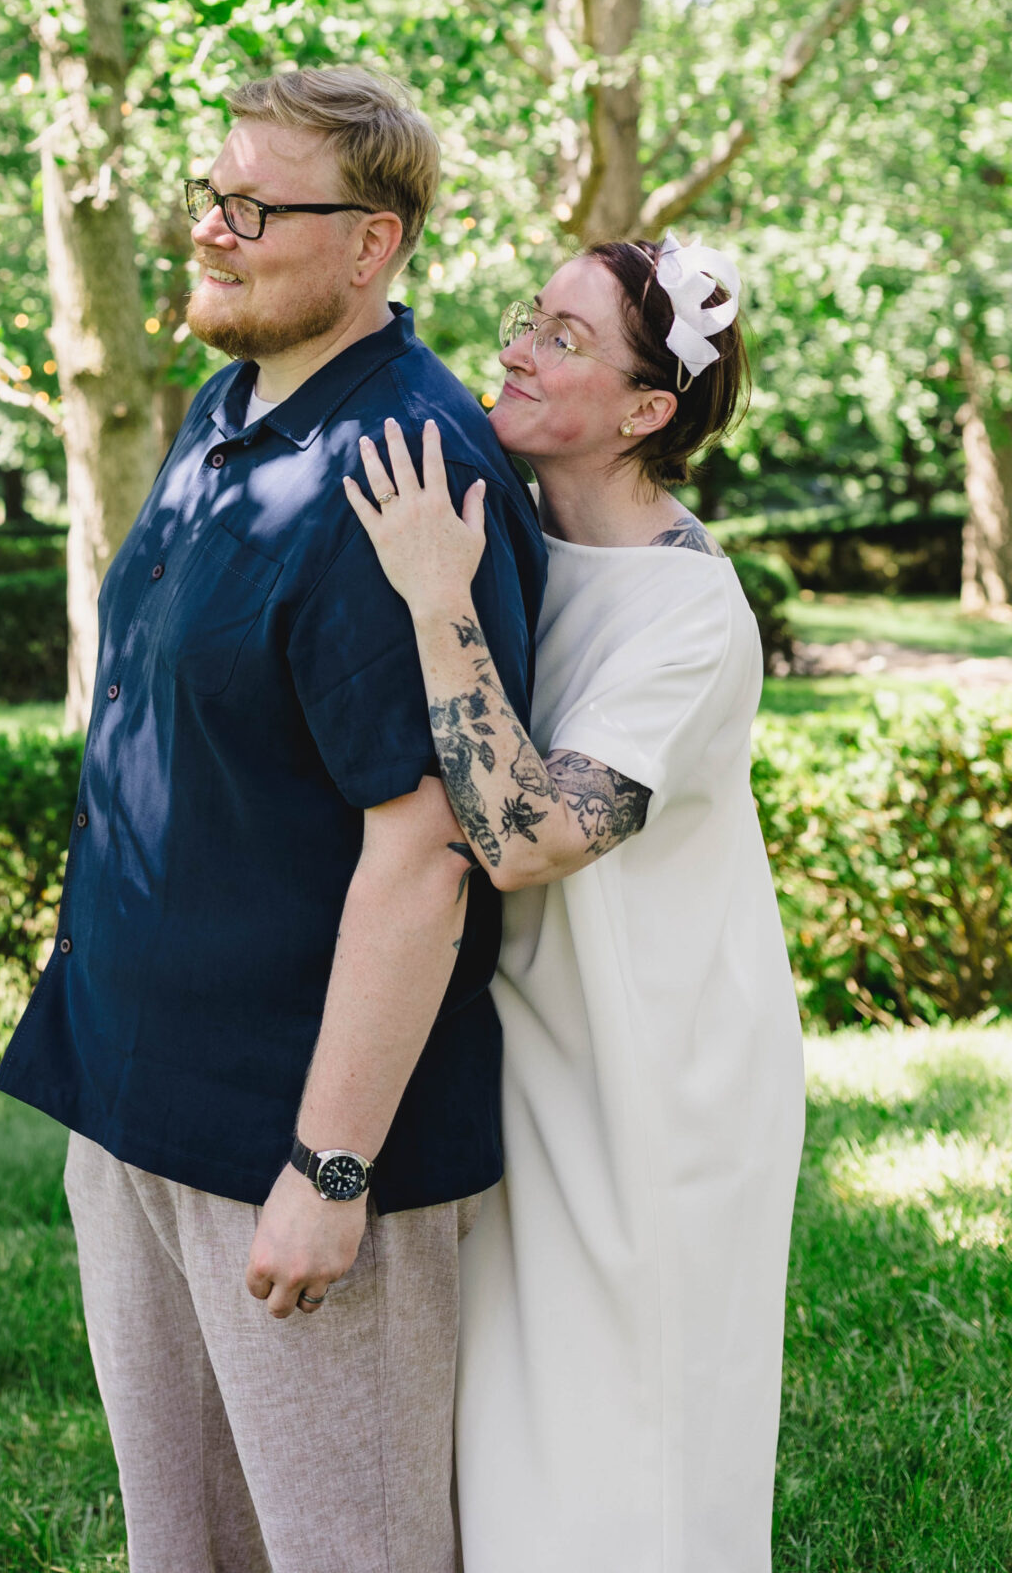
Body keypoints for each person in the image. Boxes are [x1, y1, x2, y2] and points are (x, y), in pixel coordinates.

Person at [0, 66, 546, 1573]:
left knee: (339, 1553)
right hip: (131, 1101)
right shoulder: (222, 406)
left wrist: (330, 1172)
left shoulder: (402, 474)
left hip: (298, 1142)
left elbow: (428, 849)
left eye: (258, 210)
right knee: (183, 1548)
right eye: (210, 198)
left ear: (371, 246)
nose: (214, 233)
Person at [345, 233, 805, 1573]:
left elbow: (527, 836)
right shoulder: (525, 533)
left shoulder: (688, 611)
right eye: (524, 318)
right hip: (526, 1053)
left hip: (655, 1079)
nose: (515, 350)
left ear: (645, 411)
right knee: (507, 1435)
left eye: (562, 338)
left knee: (626, 1450)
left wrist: (434, 597)